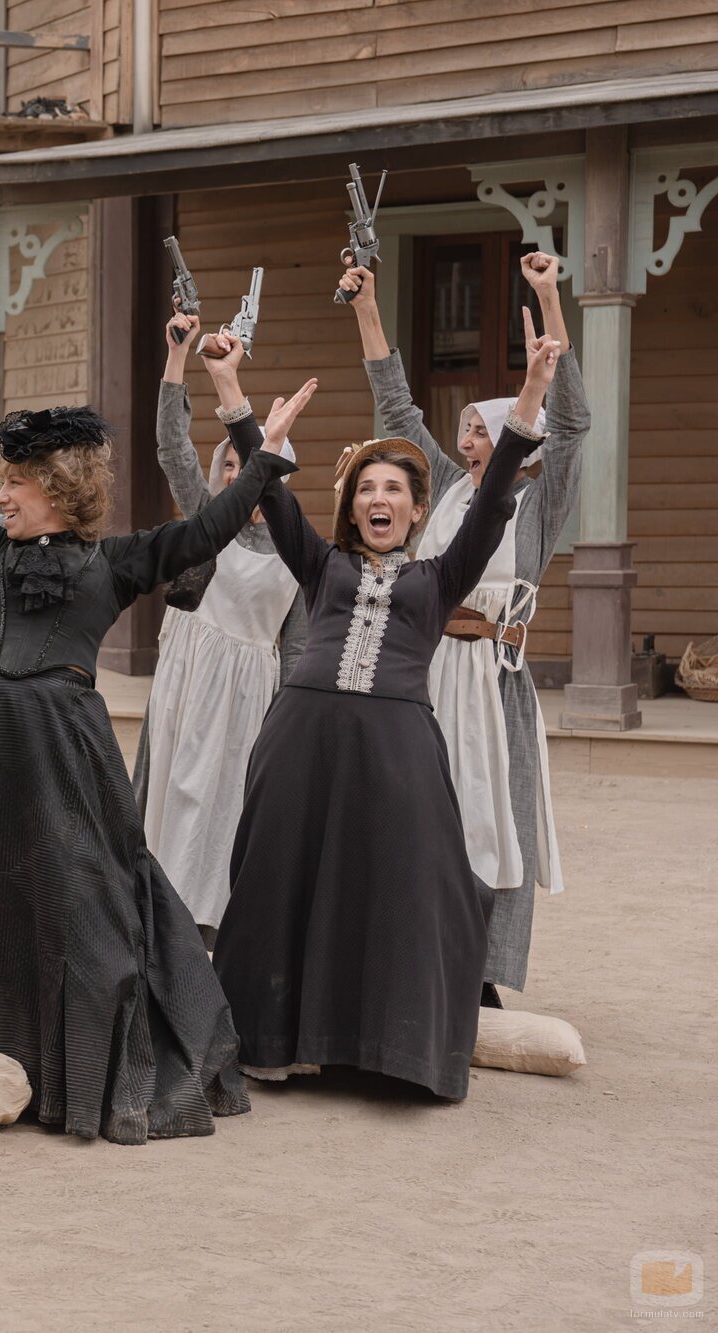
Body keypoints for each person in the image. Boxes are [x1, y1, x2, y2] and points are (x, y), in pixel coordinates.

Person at [0, 341, 295, 1144]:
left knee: (85, 899)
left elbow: (208, 527)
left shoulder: (118, 560)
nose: (2, 494)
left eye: (15, 483)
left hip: (64, 750)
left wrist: (264, 459)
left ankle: (81, 1067)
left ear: (57, 490)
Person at [213, 322, 561, 1102]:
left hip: (398, 743)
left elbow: (498, 490)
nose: (379, 498)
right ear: (352, 506)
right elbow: (268, 488)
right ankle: (272, 1039)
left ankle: (379, 1049)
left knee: (402, 883)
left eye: (394, 489)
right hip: (300, 738)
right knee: (279, 880)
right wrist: (233, 392)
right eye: (367, 487)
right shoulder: (321, 560)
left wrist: (533, 390)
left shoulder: (441, 578)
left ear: (414, 510)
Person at [341, 253, 590, 1005]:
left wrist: (548, 298)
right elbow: (397, 412)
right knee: (411, 810)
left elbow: (575, 423)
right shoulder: (445, 491)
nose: (468, 440)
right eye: (465, 431)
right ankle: (405, 956)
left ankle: (478, 974)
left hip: (491, 680)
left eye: (478, 429)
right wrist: (367, 307)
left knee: (491, 818)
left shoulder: (538, 503)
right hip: (421, 668)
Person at [132, 314, 304, 944]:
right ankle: (158, 929)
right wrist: (177, 357)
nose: (238, 475)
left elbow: (301, 643)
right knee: (171, 802)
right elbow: (171, 445)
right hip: (186, 681)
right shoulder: (205, 522)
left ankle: (215, 939)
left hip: (249, 697)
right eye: (230, 463)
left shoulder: (295, 550)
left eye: (252, 465)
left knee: (225, 811)